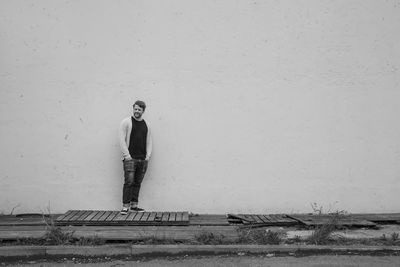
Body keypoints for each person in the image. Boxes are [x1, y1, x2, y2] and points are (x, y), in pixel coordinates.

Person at [119, 100, 152, 214]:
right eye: (135, 109)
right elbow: (121, 140)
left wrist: (147, 156)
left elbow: (149, 141)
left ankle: (134, 205)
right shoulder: (126, 122)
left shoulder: (146, 124)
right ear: (133, 109)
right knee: (129, 182)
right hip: (130, 159)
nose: (137, 111)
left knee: (137, 183)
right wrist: (127, 156)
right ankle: (125, 206)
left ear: (143, 111)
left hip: (142, 159)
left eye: (139, 109)